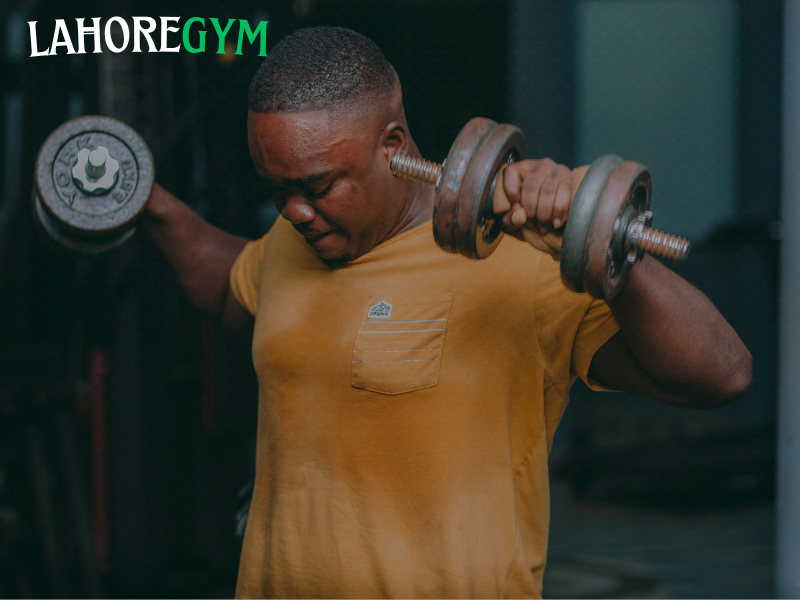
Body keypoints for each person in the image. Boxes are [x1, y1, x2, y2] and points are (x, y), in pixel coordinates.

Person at [141, 26, 751, 599]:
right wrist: (148, 202)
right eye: (277, 189)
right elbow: (231, 291)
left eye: (319, 185)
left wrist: (608, 254)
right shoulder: (296, 237)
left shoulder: (518, 263)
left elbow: (722, 376)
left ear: (393, 147)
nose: (296, 210)